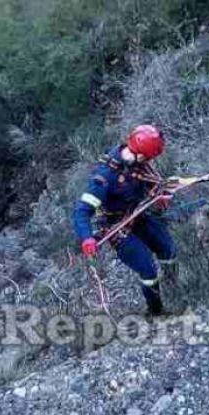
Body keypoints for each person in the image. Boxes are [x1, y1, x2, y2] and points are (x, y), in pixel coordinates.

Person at [72, 124, 178, 316]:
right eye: (148, 157)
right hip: (116, 227)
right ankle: (156, 312)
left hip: (138, 214)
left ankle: (174, 286)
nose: (149, 161)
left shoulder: (136, 163)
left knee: (168, 248)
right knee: (147, 270)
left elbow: (150, 182)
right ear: (140, 153)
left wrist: (160, 196)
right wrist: (87, 238)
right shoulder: (104, 179)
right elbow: (82, 212)